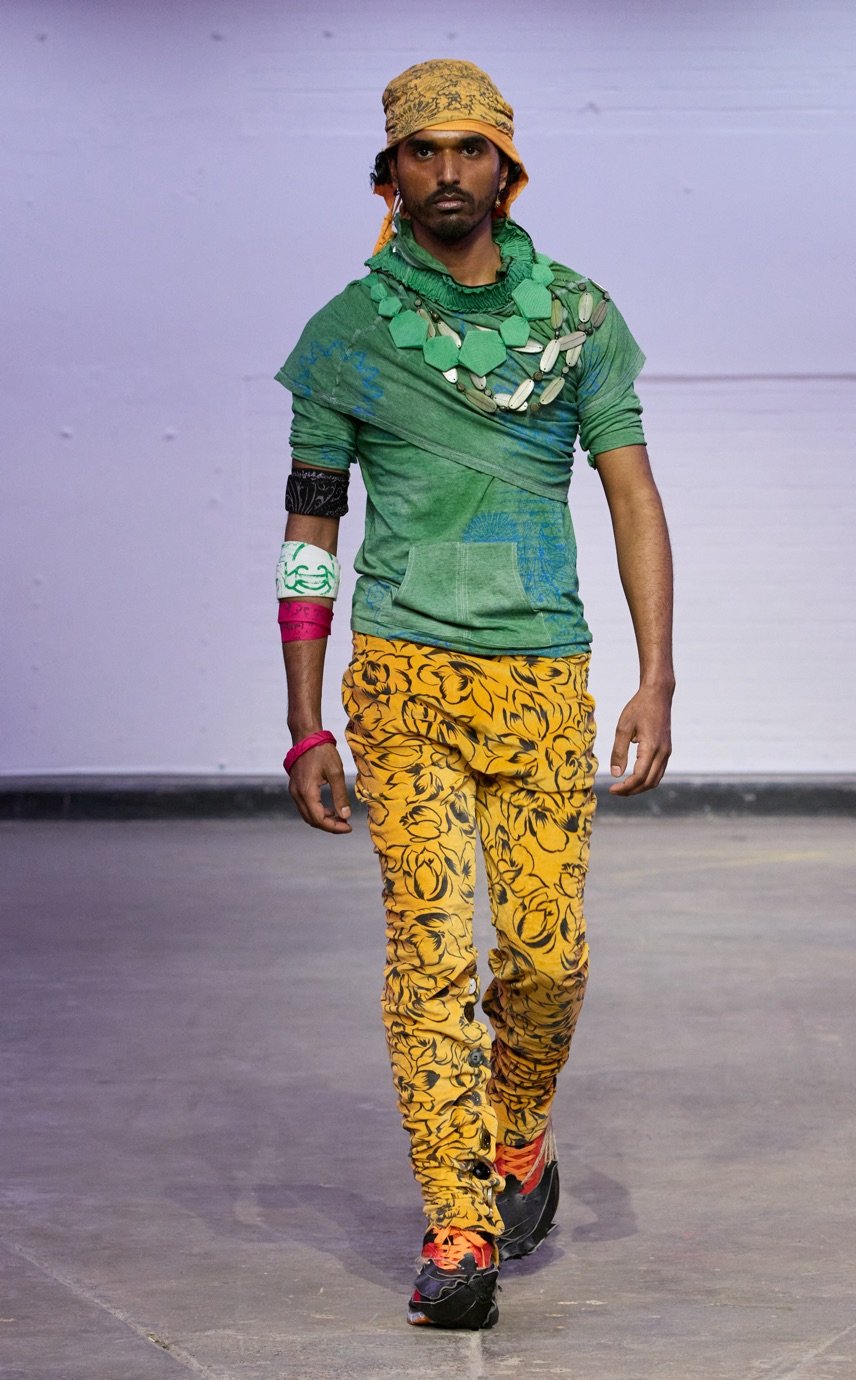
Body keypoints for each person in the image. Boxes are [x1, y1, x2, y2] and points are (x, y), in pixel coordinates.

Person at [274, 58, 674, 1331]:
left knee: (548, 960)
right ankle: (456, 1225)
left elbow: (630, 492)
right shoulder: (346, 335)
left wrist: (655, 675)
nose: (445, 172)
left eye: (468, 149)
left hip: (543, 678)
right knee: (429, 956)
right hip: (402, 680)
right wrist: (303, 718)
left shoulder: (577, 320)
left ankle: (517, 1132)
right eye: (421, 150)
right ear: (387, 173)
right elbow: (310, 527)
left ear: (506, 167)